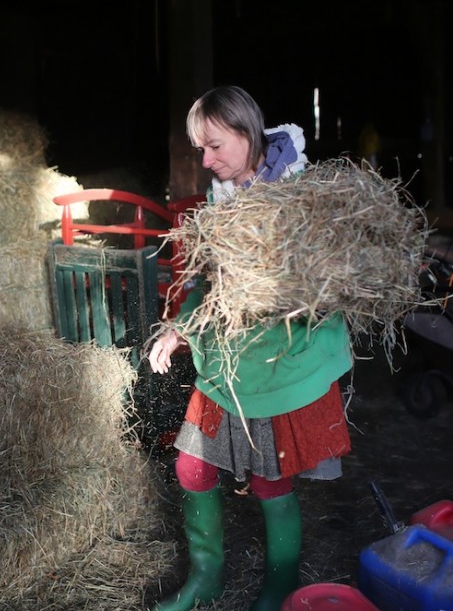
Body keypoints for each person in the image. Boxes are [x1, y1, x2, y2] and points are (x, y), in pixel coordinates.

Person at [148, 85, 354, 611]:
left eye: (215, 145)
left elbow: (333, 282)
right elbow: (209, 283)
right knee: (192, 468)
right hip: (227, 359)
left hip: (281, 361)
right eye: (201, 148)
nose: (206, 159)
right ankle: (205, 580)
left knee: (270, 479)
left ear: (247, 133)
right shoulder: (223, 202)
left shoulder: (302, 196)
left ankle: (280, 586)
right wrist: (181, 328)